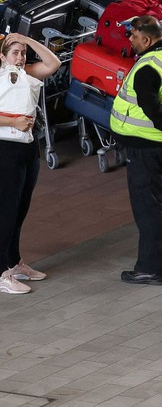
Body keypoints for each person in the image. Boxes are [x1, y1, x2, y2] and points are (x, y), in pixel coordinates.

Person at [110, 15, 162, 286]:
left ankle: (150, 269)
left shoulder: (147, 68)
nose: (129, 40)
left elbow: (151, 106)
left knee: (148, 209)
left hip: (147, 146)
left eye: (132, 36)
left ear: (146, 39)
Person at [0, 33, 62, 295]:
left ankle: (14, 263)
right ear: (2, 56)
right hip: (5, 148)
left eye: (23, 52)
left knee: (19, 210)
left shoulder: (27, 73)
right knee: (5, 212)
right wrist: (12, 122)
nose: (20, 57)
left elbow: (54, 63)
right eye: (14, 52)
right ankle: (1, 273)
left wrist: (25, 39)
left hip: (27, 147)